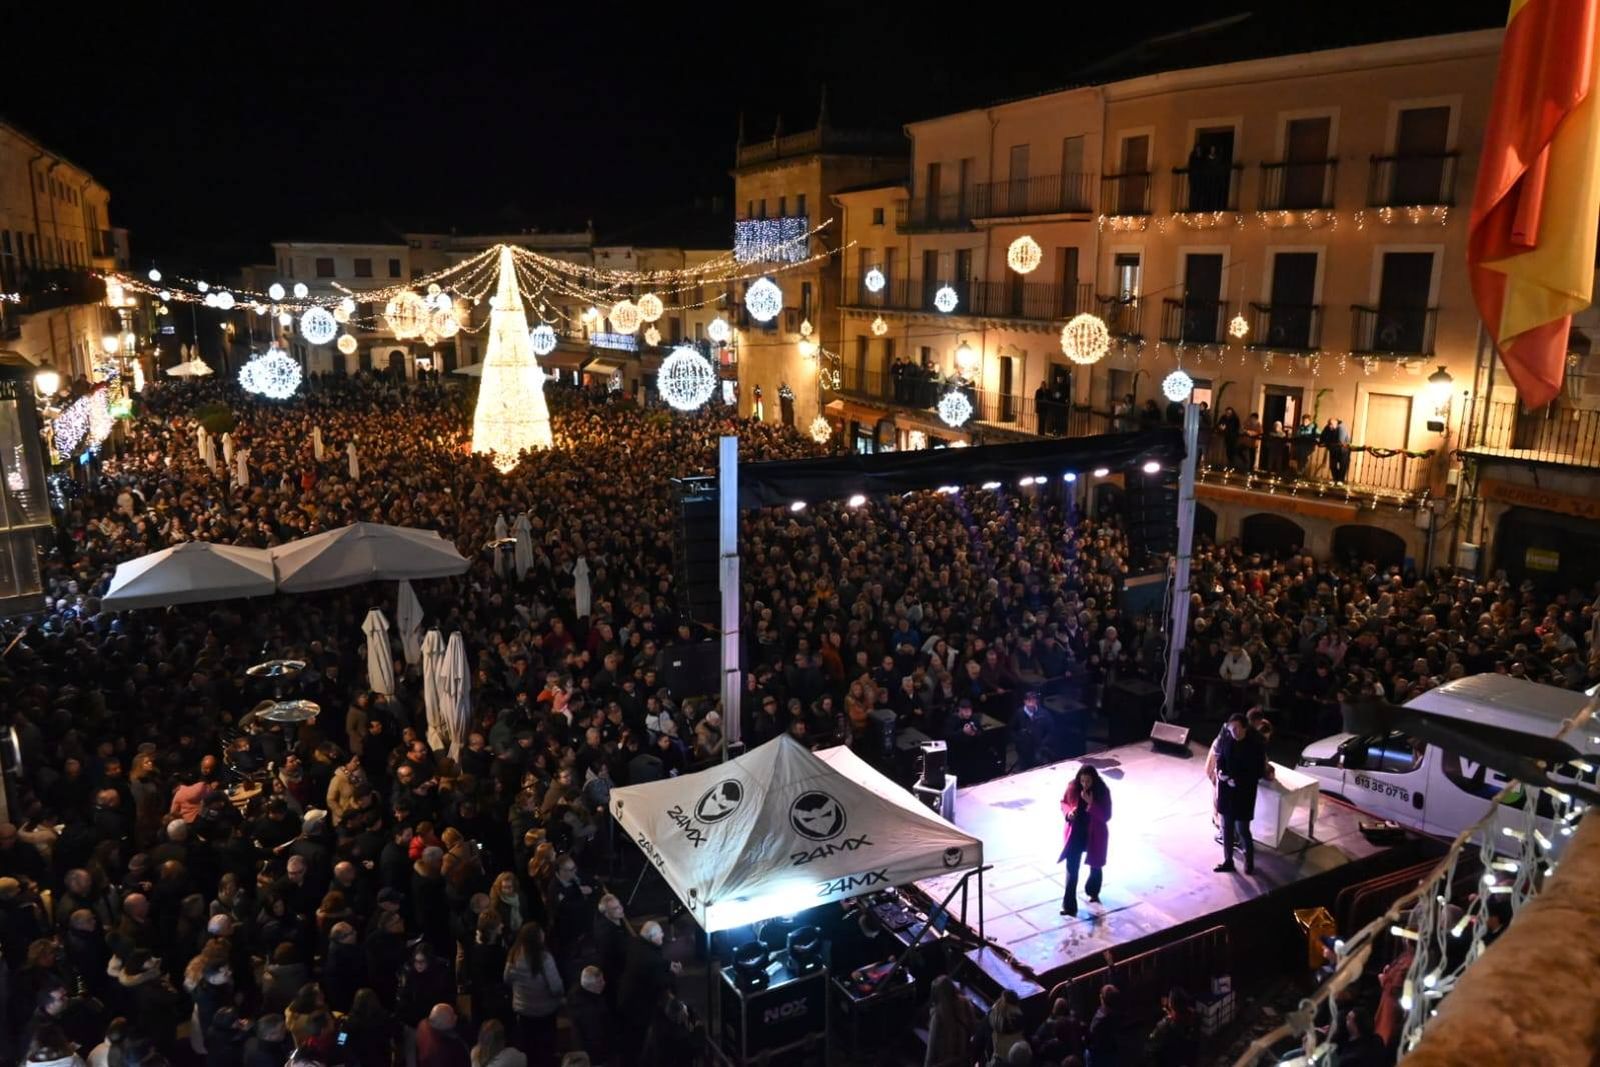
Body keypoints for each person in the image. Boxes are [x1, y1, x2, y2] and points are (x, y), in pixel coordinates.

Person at [1214, 713, 1273, 874]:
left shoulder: (1255, 746)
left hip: (1244, 793)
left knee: (1242, 829)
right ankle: (1228, 861)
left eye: (1237, 728)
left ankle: (1249, 862)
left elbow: (1257, 772)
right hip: (1227, 791)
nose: (1234, 732)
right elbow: (1221, 758)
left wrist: (1237, 780)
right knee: (1226, 828)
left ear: (1245, 728)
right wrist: (1221, 772)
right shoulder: (1228, 739)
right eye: (1231, 728)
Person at [504, 922, 563, 1067]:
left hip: (524, 1011)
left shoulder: (514, 955)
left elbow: (507, 979)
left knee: (529, 1048)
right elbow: (556, 987)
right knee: (546, 1049)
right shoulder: (545, 959)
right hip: (546, 1011)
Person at [1059, 765, 1111, 915]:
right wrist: (1069, 813)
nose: (1085, 784)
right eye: (1082, 781)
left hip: (1094, 834)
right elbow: (1064, 803)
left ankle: (1093, 891)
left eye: (1088, 781)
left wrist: (1091, 804)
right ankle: (1069, 906)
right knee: (1072, 869)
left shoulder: (1102, 791)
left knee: (1095, 865)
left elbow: (1106, 815)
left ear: (1094, 780)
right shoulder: (1073, 787)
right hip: (1075, 834)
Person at [925, 975, 976, 1067]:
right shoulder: (966, 1004)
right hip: (963, 1061)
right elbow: (973, 1029)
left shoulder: (938, 1015)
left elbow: (931, 1051)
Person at [1145, 987, 1200, 1066]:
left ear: (1170, 1005)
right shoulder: (1195, 1018)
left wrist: (1165, 1021)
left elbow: (1150, 1048)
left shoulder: (1164, 1027)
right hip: (1189, 1060)